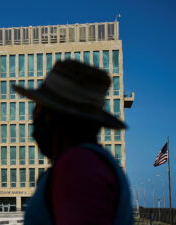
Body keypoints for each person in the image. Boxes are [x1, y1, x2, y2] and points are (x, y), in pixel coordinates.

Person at [13, 60, 133, 225]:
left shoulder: (79, 164)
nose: (33, 119)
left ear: (50, 116)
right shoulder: (90, 161)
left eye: (37, 108)